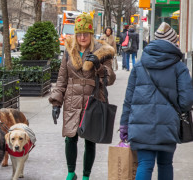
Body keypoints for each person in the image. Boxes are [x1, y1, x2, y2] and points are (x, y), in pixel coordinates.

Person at [119, 22, 193, 180]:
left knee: (144, 164)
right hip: (168, 125)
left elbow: (128, 99)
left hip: (140, 124)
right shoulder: (179, 67)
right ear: (173, 43)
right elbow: (187, 101)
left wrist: (124, 124)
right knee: (165, 164)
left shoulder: (139, 66)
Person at [49, 12, 116, 180]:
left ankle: (86, 175)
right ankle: (71, 173)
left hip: (93, 100)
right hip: (72, 100)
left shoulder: (102, 51)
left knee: (90, 140)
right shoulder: (68, 51)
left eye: (86, 33)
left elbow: (110, 78)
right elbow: (62, 78)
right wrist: (56, 102)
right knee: (70, 138)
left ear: (91, 34)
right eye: (79, 33)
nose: (82, 37)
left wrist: (98, 65)